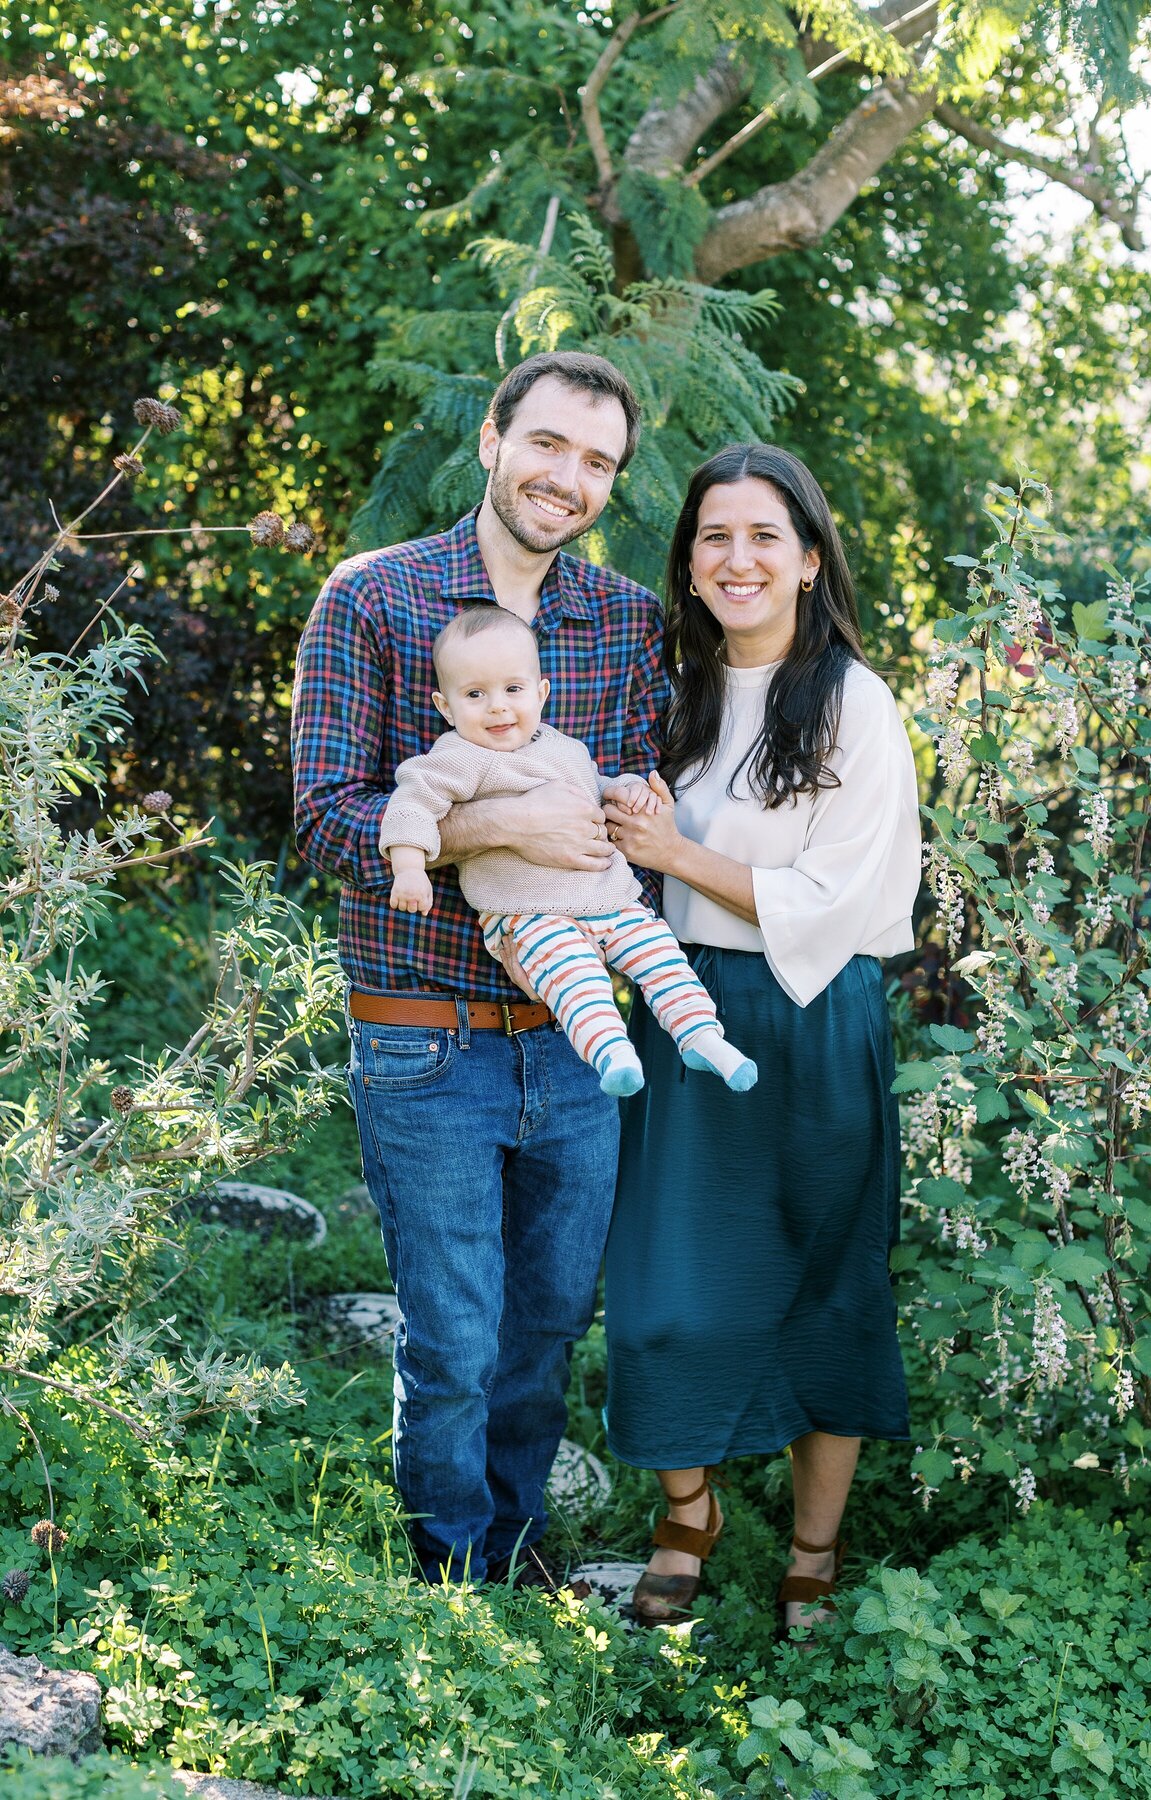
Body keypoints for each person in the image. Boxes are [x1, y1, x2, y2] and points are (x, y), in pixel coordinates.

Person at [291, 351, 668, 1589]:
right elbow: (329, 822)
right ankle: (446, 1571)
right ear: (494, 440)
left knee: (549, 1328)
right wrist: (493, 831)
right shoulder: (377, 599)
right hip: (423, 1030)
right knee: (454, 1336)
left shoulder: (625, 626)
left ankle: (515, 1548)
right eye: (549, 444)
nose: (569, 478)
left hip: (573, 1033)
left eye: (598, 461)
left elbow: (621, 822)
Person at [601, 443, 921, 1634]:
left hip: (813, 1020)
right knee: (658, 1292)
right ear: (688, 565)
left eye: (763, 538)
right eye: (714, 538)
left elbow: (842, 901)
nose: (738, 559)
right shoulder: (665, 691)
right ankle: (690, 1509)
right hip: (680, 1012)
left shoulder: (853, 701)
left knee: (824, 1289)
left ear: (809, 560)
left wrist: (672, 852)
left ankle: (815, 1549)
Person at [380, 604, 757, 1096]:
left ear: (541, 693)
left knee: (661, 954)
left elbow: (589, 785)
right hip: (530, 914)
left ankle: (701, 1034)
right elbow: (411, 802)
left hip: (608, 897)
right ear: (446, 707)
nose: (497, 706)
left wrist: (621, 788)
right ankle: (612, 1053)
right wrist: (409, 866)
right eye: (475, 694)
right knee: (576, 977)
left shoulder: (563, 747)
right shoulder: (459, 757)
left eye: (513, 690)